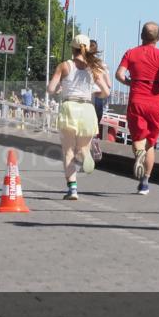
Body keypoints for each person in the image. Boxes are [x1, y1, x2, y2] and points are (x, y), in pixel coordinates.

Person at [115, 22, 159, 195]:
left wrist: (129, 82)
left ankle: (139, 153)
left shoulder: (131, 53)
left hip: (137, 98)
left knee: (138, 136)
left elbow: (119, 74)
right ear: (158, 38)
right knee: (151, 143)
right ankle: (145, 183)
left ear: (141, 36)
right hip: (156, 100)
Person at [47, 34, 110, 200]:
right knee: (82, 148)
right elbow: (106, 92)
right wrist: (94, 92)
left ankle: (73, 189)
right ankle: (85, 155)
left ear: (72, 49)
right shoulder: (93, 68)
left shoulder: (64, 66)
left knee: (68, 152)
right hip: (88, 109)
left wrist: (60, 88)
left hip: (70, 107)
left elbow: (50, 89)